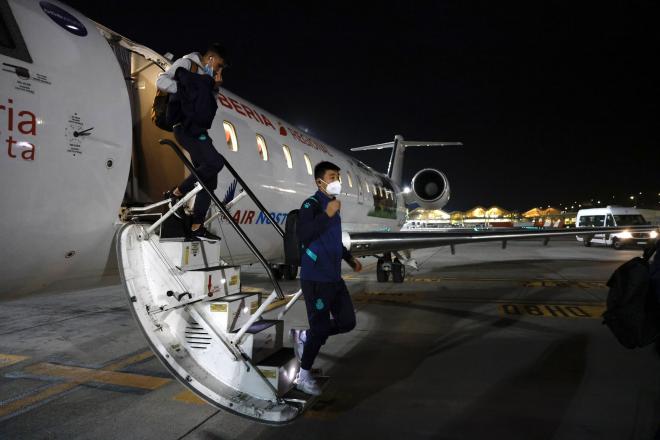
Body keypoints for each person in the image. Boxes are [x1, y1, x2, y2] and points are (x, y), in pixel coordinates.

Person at [291, 161, 362, 395]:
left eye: (338, 177)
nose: (337, 181)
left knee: (347, 322)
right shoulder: (310, 205)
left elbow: (333, 239)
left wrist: (350, 259)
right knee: (321, 327)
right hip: (315, 279)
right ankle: (303, 376)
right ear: (319, 181)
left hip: (333, 277)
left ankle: (307, 336)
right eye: (333, 177)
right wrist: (326, 214)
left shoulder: (334, 205)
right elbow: (304, 234)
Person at [156, 43, 227, 241]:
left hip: (198, 128)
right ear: (211, 59)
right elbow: (161, 81)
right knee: (215, 163)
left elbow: (206, 103)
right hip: (184, 128)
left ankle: (197, 227)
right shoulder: (187, 64)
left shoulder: (207, 77)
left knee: (209, 181)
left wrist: (214, 87)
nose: (219, 70)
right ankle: (176, 193)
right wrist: (185, 90)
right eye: (219, 66)